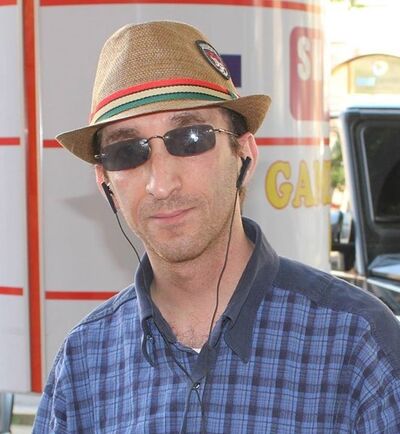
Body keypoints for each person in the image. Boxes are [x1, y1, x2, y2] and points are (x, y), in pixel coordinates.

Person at [33, 21, 400, 433]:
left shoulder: (357, 344)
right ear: (105, 182)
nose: (161, 184)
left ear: (244, 154)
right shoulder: (83, 364)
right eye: (126, 152)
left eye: (190, 138)